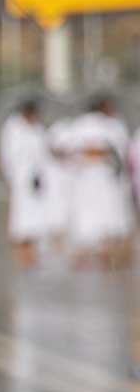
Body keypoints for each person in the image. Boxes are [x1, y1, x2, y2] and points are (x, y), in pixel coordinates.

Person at [58, 95, 132, 268]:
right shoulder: (93, 125)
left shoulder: (99, 125)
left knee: (103, 224)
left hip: (101, 181)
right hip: (90, 181)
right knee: (96, 225)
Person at [0, 98, 53, 266]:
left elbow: (44, 151)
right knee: (21, 212)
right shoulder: (13, 127)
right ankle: (21, 250)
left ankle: (33, 249)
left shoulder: (38, 129)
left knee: (37, 213)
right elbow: (9, 155)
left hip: (38, 176)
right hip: (21, 176)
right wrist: (13, 175)